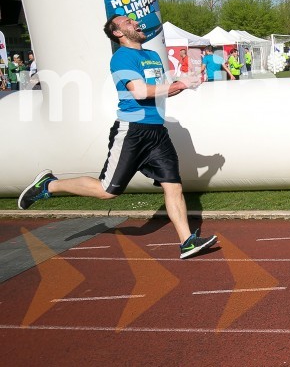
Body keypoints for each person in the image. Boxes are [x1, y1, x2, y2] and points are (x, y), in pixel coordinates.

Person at [17, 15, 218, 259]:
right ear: (117, 33)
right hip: (132, 131)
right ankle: (49, 184)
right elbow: (141, 91)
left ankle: (187, 241)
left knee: (173, 185)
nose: (135, 23)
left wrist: (186, 83)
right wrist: (180, 84)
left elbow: (160, 93)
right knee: (107, 191)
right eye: (127, 22)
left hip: (158, 133)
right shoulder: (121, 58)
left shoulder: (152, 56)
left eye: (134, 21)